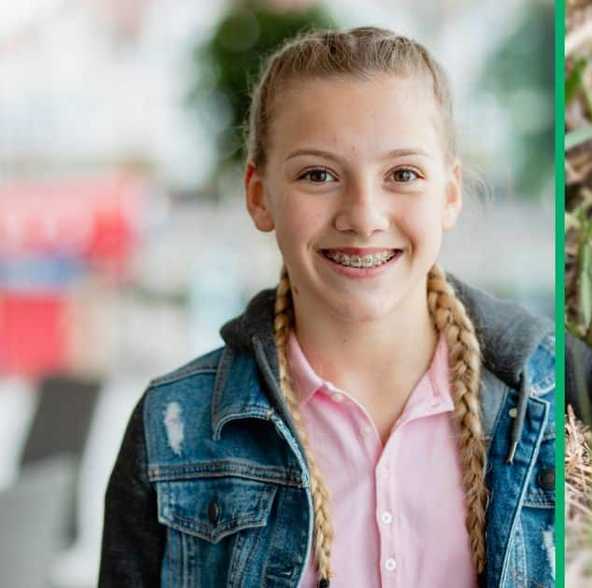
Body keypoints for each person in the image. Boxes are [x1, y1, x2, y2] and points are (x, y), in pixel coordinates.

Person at [98, 27, 555, 587]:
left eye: (402, 175)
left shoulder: (551, 403)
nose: (363, 216)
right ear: (259, 195)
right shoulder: (173, 428)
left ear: (450, 194)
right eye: (318, 174)